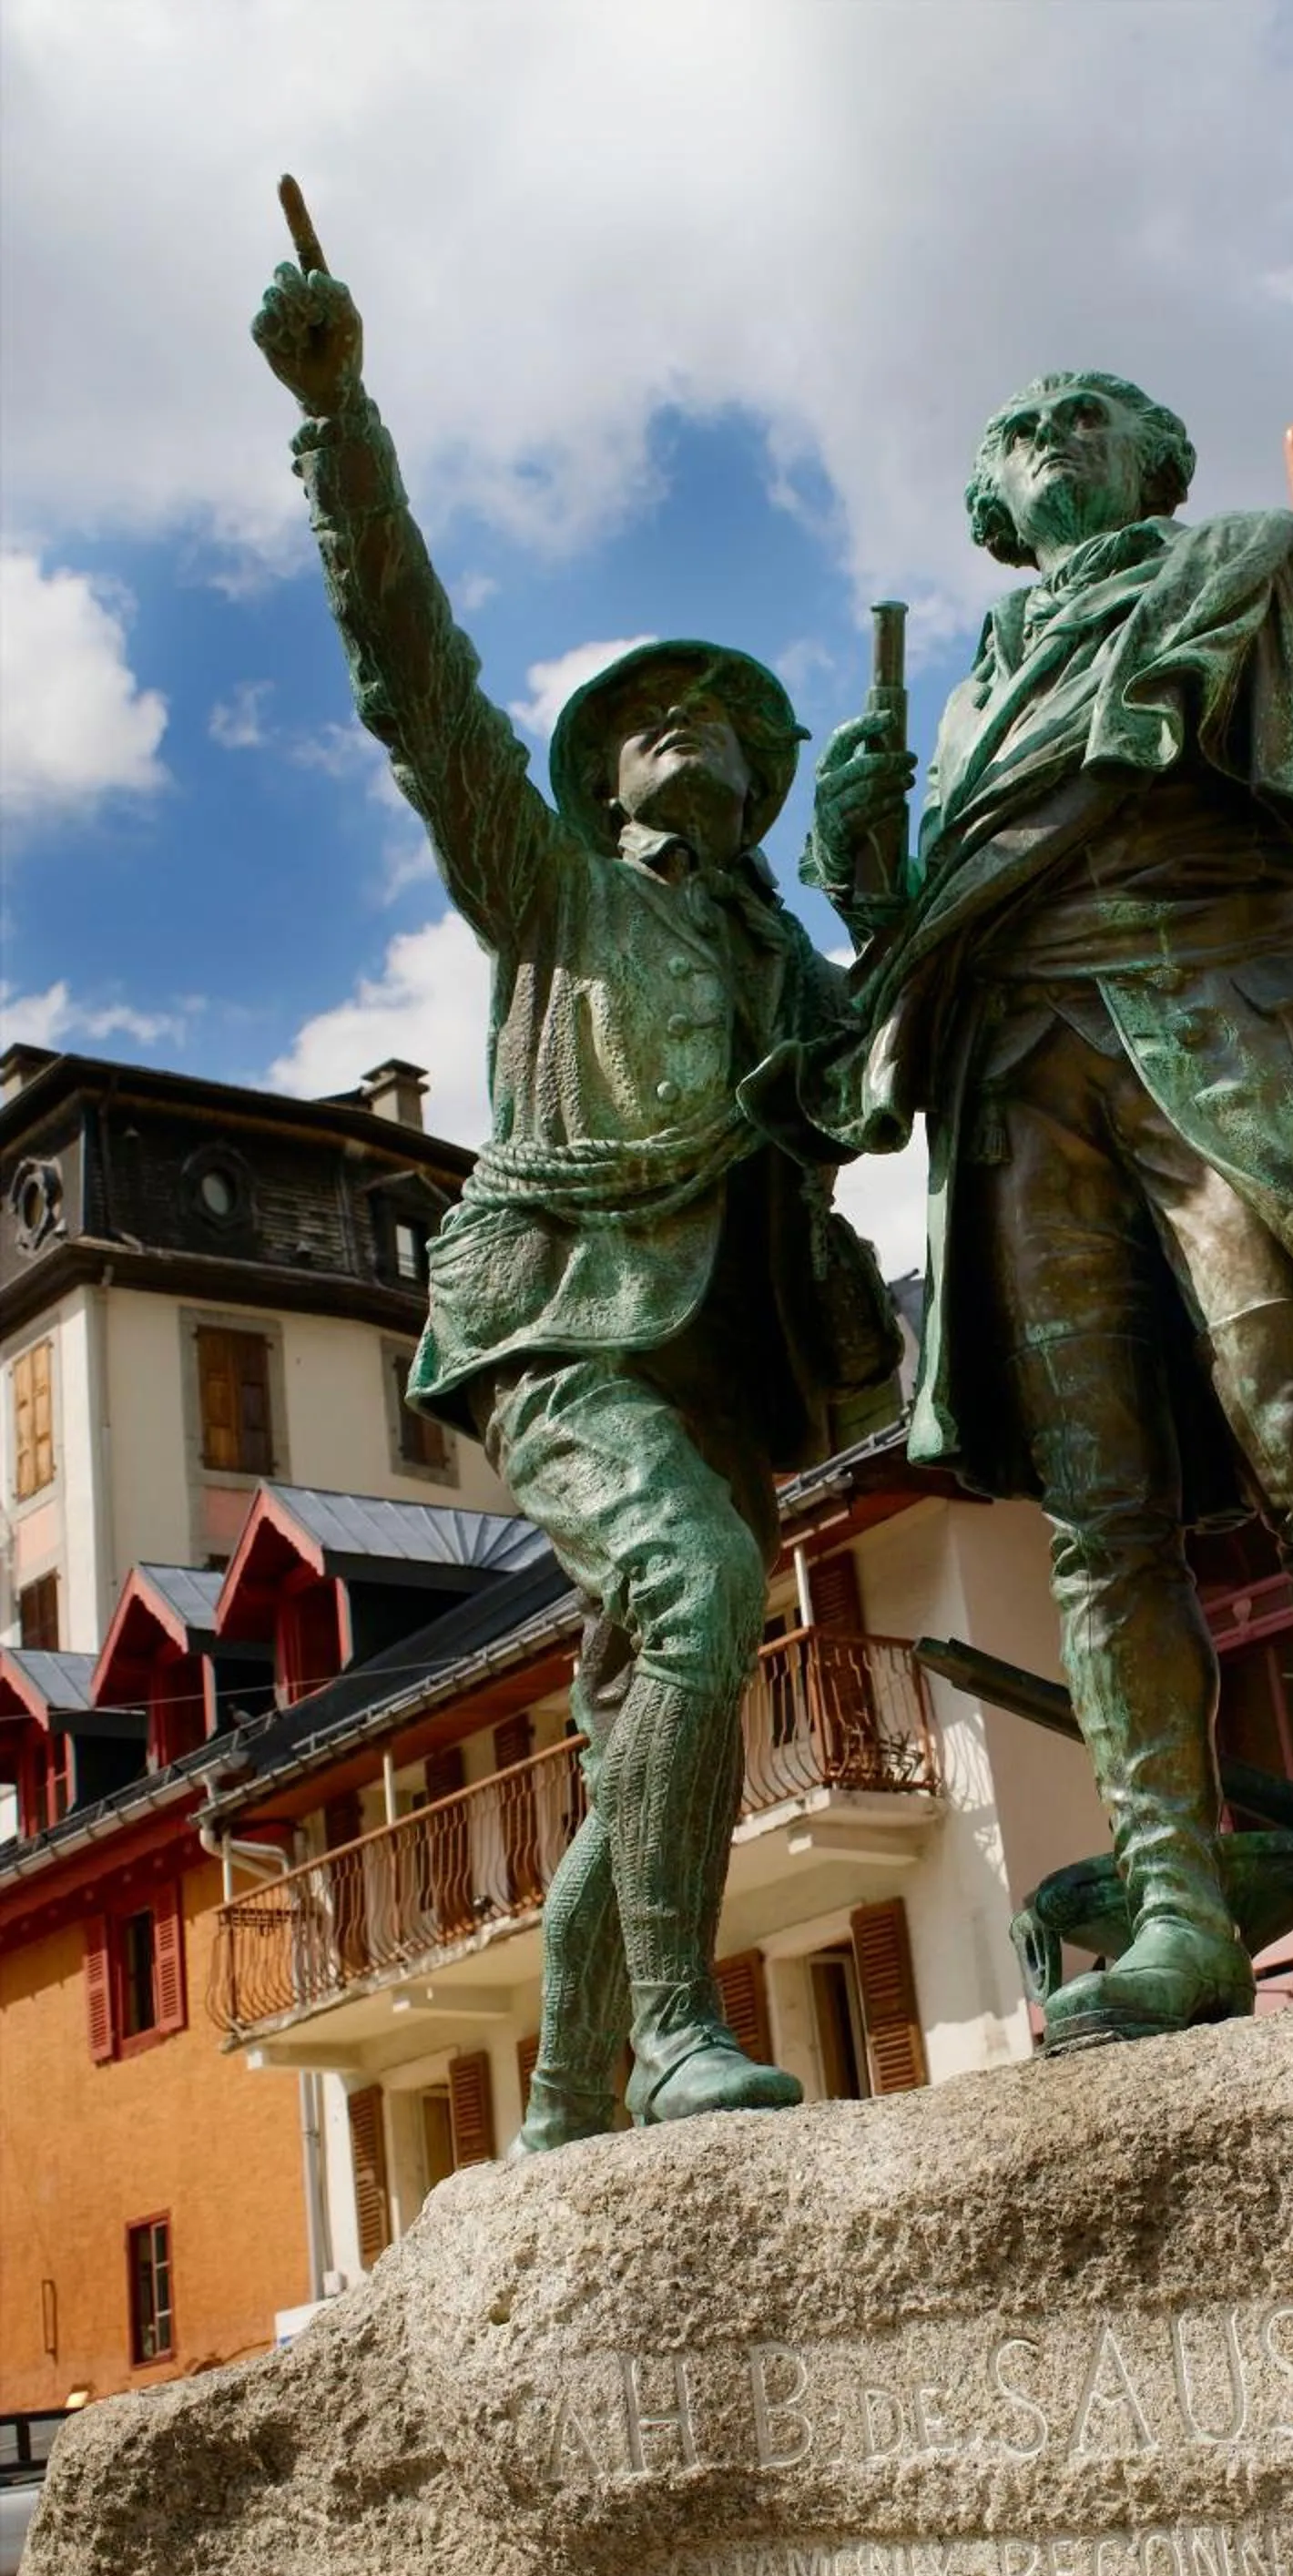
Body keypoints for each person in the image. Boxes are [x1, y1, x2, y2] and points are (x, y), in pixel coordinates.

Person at [799, 372, 1293, 2051]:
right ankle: (1173, 1912)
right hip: (1020, 1080)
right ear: (994, 512)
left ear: (1153, 461)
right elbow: (926, 931)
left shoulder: (1254, 569)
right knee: (1100, 1516)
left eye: (1089, 417)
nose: (1052, 440)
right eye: (1017, 432)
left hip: (1213, 1020)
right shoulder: (972, 700)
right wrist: (868, 862)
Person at [252, 257, 898, 2140]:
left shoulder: (782, 949)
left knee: (638, 1731)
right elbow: (414, 680)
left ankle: (566, 2095)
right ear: (602, 774)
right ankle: (683, 2030)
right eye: (654, 711)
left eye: (725, 716)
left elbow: (875, 1085)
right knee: (700, 1598)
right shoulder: (553, 890)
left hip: (734, 1346)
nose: (689, 721)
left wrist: (884, 890)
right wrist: (337, 422)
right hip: (562, 1320)